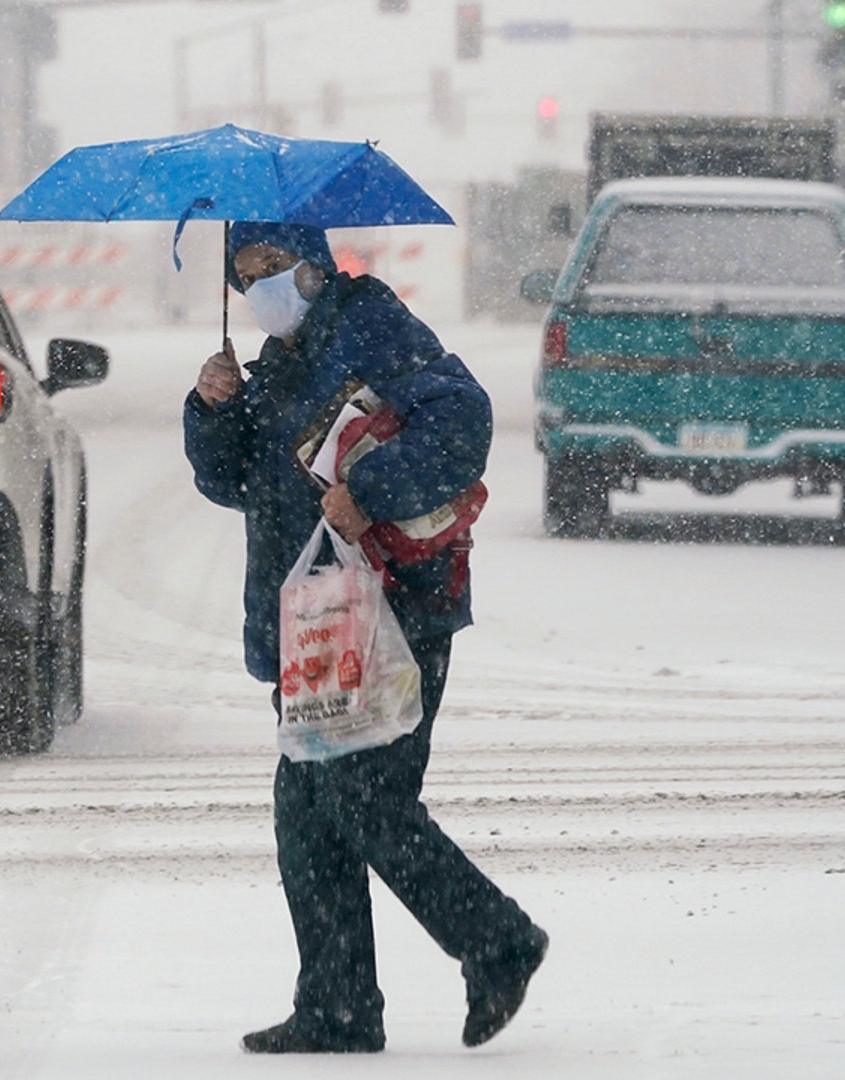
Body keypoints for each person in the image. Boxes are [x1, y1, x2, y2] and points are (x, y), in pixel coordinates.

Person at [183, 221, 547, 1054]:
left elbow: (463, 421)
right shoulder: (277, 361)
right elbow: (235, 482)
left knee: (363, 801)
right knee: (307, 816)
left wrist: (368, 488)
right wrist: (214, 410)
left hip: (394, 609)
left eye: (273, 265)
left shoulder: (370, 325)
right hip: (314, 616)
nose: (261, 285)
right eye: (246, 275)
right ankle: (337, 1007)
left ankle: (497, 942)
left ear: (314, 262)